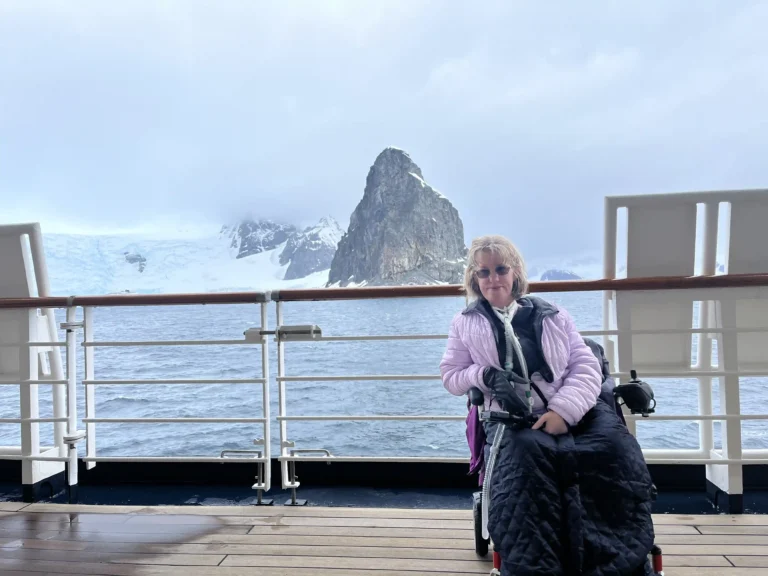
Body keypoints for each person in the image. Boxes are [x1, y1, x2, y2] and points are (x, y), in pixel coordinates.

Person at [440, 235, 656, 576]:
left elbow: (586, 367)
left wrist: (563, 412)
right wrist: (484, 375)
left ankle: (621, 560)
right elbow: (452, 376)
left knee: (613, 448)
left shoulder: (554, 316)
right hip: (512, 416)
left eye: (500, 269)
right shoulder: (465, 324)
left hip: (574, 408)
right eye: (483, 272)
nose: (493, 278)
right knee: (526, 462)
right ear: (474, 278)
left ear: (515, 273)